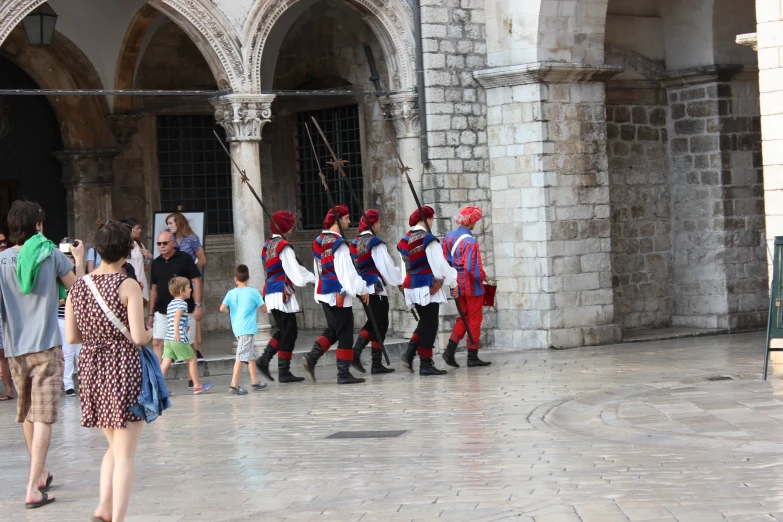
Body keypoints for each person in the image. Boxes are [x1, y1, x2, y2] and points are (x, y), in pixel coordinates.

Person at [0, 200, 85, 509]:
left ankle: (41, 473)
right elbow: (77, 289)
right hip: (46, 346)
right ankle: (33, 489)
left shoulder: (1, 261)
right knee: (45, 417)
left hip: (15, 349)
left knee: (27, 413)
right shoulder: (49, 253)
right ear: (37, 225)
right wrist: (78, 259)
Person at [65, 221, 152, 522]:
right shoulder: (128, 284)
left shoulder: (79, 285)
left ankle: (103, 508)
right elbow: (139, 337)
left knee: (115, 446)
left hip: (91, 367)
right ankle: (118, 517)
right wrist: (151, 332)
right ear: (127, 250)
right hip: (122, 365)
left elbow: (72, 337)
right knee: (126, 453)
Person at [303, 205, 369, 385]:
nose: (349, 221)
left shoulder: (319, 240)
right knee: (346, 333)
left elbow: (318, 268)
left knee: (334, 330)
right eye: (347, 218)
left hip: (325, 293)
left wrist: (320, 287)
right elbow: (346, 274)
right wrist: (362, 290)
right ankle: (343, 373)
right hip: (338, 295)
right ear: (337, 221)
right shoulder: (339, 244)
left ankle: (311, 358)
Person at [397, 205, 458, 376]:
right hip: (426, 285)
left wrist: (403, 286)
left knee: (425, 322)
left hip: (410, 286)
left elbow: (403, 266)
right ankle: (425, 363)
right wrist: (453, 283)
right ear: (427, 219)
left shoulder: (404, 239)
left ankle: (409, 354)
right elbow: (440, 266)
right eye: (432, 219)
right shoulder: (428, 239)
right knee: (430, 324)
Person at [256, 211, 316, 383]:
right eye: (290, 223)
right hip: (281, 291)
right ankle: (273, 365)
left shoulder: (267, 245)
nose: (292, 226)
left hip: (271, 291)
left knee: (286, 330)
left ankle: (273, 365)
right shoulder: (284, 246)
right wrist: (311, 279)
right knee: (289, 331)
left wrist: (310, 277)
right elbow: (294, 271)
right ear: (285, 226)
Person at [349, 209, 402, 375]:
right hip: (374, 287)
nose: (380, 225)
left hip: (362, 287)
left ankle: (374, 362)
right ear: (373, 224)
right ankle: (359, 355)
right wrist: (399, 280)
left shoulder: (354, 243)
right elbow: (385, 267)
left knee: (375, 323)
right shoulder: (375, 242)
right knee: (378, 323)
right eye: (378, 222)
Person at [442, 206, 491, 368]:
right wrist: (483, 277)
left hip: (455, 284)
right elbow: (473, 268)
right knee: (475, 319)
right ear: (472, 222)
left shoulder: (448, 237)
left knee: (463, 317)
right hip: (471, 286)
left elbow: (445, 262)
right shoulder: (471, 242)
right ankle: (472, 356)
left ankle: (450, 351)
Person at [148, 231, 203, 365]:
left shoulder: (185, 258)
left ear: (173, 243)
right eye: (159, 243)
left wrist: (198, 305)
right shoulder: (156, 263)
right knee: (157, 341)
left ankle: (193, 380)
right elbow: (154, 289)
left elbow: (196, 282)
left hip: (184, 310)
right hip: (162, 311)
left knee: (189, 345)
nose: (161, 246)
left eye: (165, 243)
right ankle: (158, 379)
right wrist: (150, 313)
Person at [159, 277, 212, 394]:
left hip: (168, 339)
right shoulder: (182, 304)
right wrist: (178, 332)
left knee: (165, 362)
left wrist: (182, 327)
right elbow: (177, 317)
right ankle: (197, 385)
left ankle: (158, 389)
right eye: (189, 288)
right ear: (181, 291)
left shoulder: (171, 304)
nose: (191, 290)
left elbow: (173, 319)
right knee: (192, 359)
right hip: (179, 338)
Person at [220, 264, 267, 394]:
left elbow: (222, 308)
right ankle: (233, 385)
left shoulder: (230, 293)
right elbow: (264, 309)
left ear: (236, 279)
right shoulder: (253, 292)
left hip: (238, 328)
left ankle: (254, 381)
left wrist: (229, 312)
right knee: (241, 357)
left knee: (250, 355)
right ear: (248, 277)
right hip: (248, 329)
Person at [166, 213, 206, 359]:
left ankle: (195, 349)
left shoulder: (192, 240)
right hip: (175, 283)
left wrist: (191, 271)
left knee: (191, 315)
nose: (168, 226)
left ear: (179, 223)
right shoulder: (170, 241)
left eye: (171, 223)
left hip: (188, 284)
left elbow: (202, 259)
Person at [56, 245, 81, 397]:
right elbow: (55, 300)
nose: (68, 259)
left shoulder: (79, 276)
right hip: (62, 318)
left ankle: (84, 382)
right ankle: (68, 384)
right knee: (68, 352)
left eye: (70, 256)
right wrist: (64, 300)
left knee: (81, 352)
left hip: (79, 319)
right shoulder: (57, 279)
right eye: (64, 256)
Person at [121, 218, 152, 303]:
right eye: (137, 228)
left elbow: (145, 268)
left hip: (142, 283)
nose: (140, 230)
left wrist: (149, 258)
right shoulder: (121, 246)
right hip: (128, 284)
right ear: (129, 230)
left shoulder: (139, 244)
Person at [0, 229, 14, 402]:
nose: (2, 244)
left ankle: (9, 389)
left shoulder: (10, 261)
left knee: (4, 353)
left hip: (7, 311)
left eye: (4, 241)